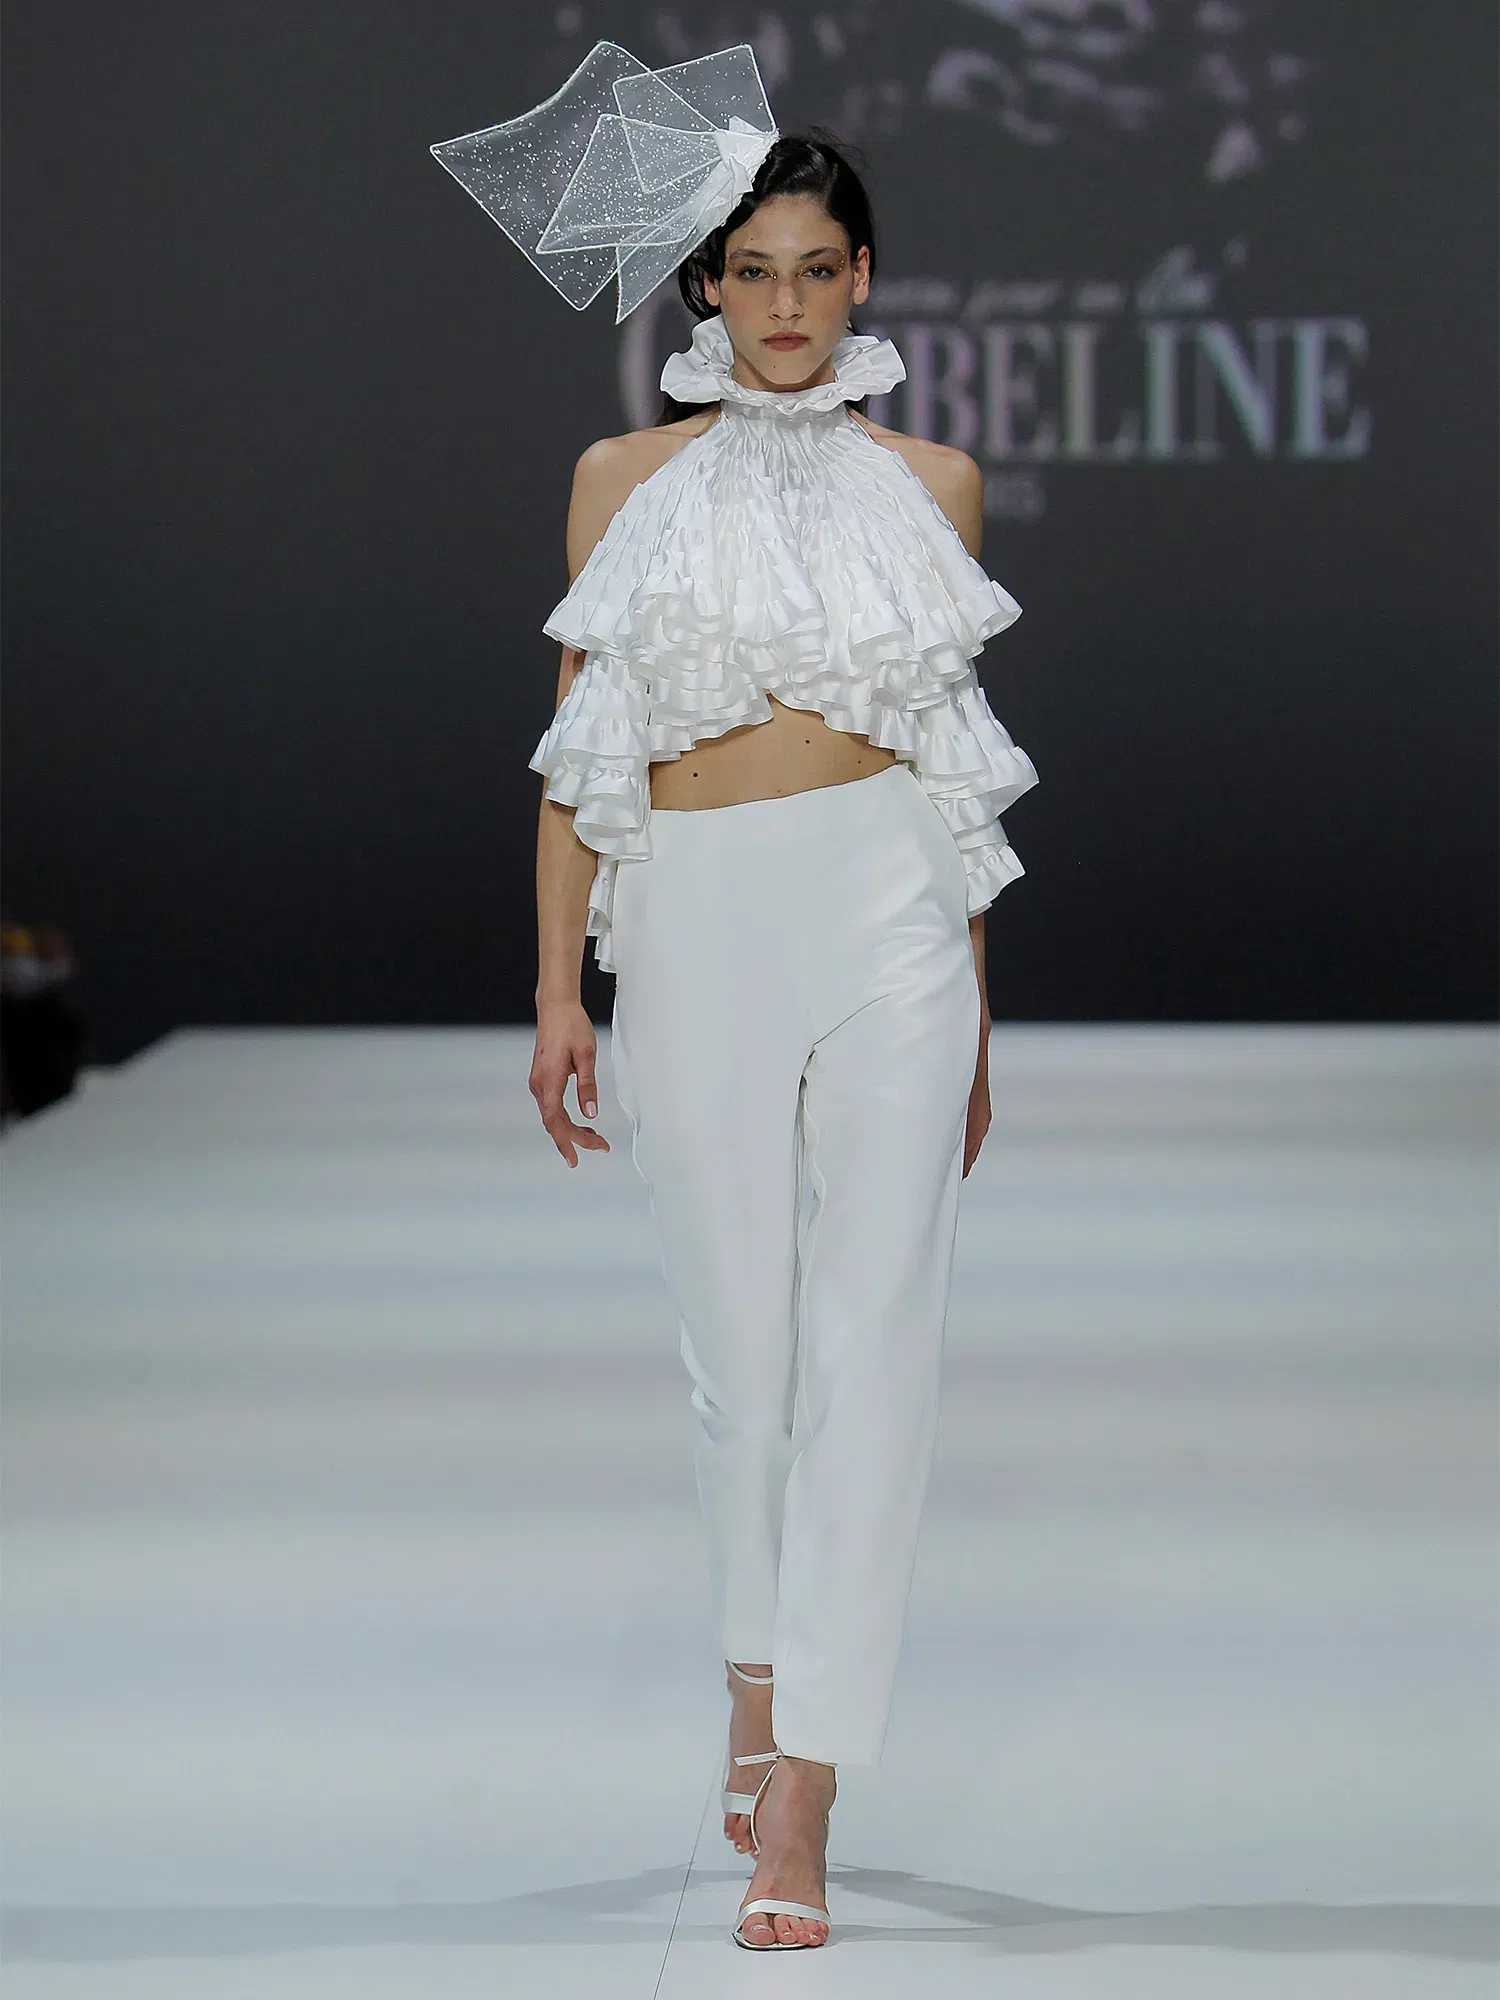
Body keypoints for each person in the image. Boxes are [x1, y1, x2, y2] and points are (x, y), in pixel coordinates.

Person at [525, 128, 1038, 1951]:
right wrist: (559, 987)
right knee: (740, 1355)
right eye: (755, 272)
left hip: (892, 903)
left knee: (878, 1334)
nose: (789, 303)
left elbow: (953, 760)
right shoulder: (622, 480)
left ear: (864, 280)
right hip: (696, 913)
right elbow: (579, 748)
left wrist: (977, 1010)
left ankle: (806, 1777)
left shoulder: (936, 485)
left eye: (820, 269)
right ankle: (755, 1666)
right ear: (706, 288)